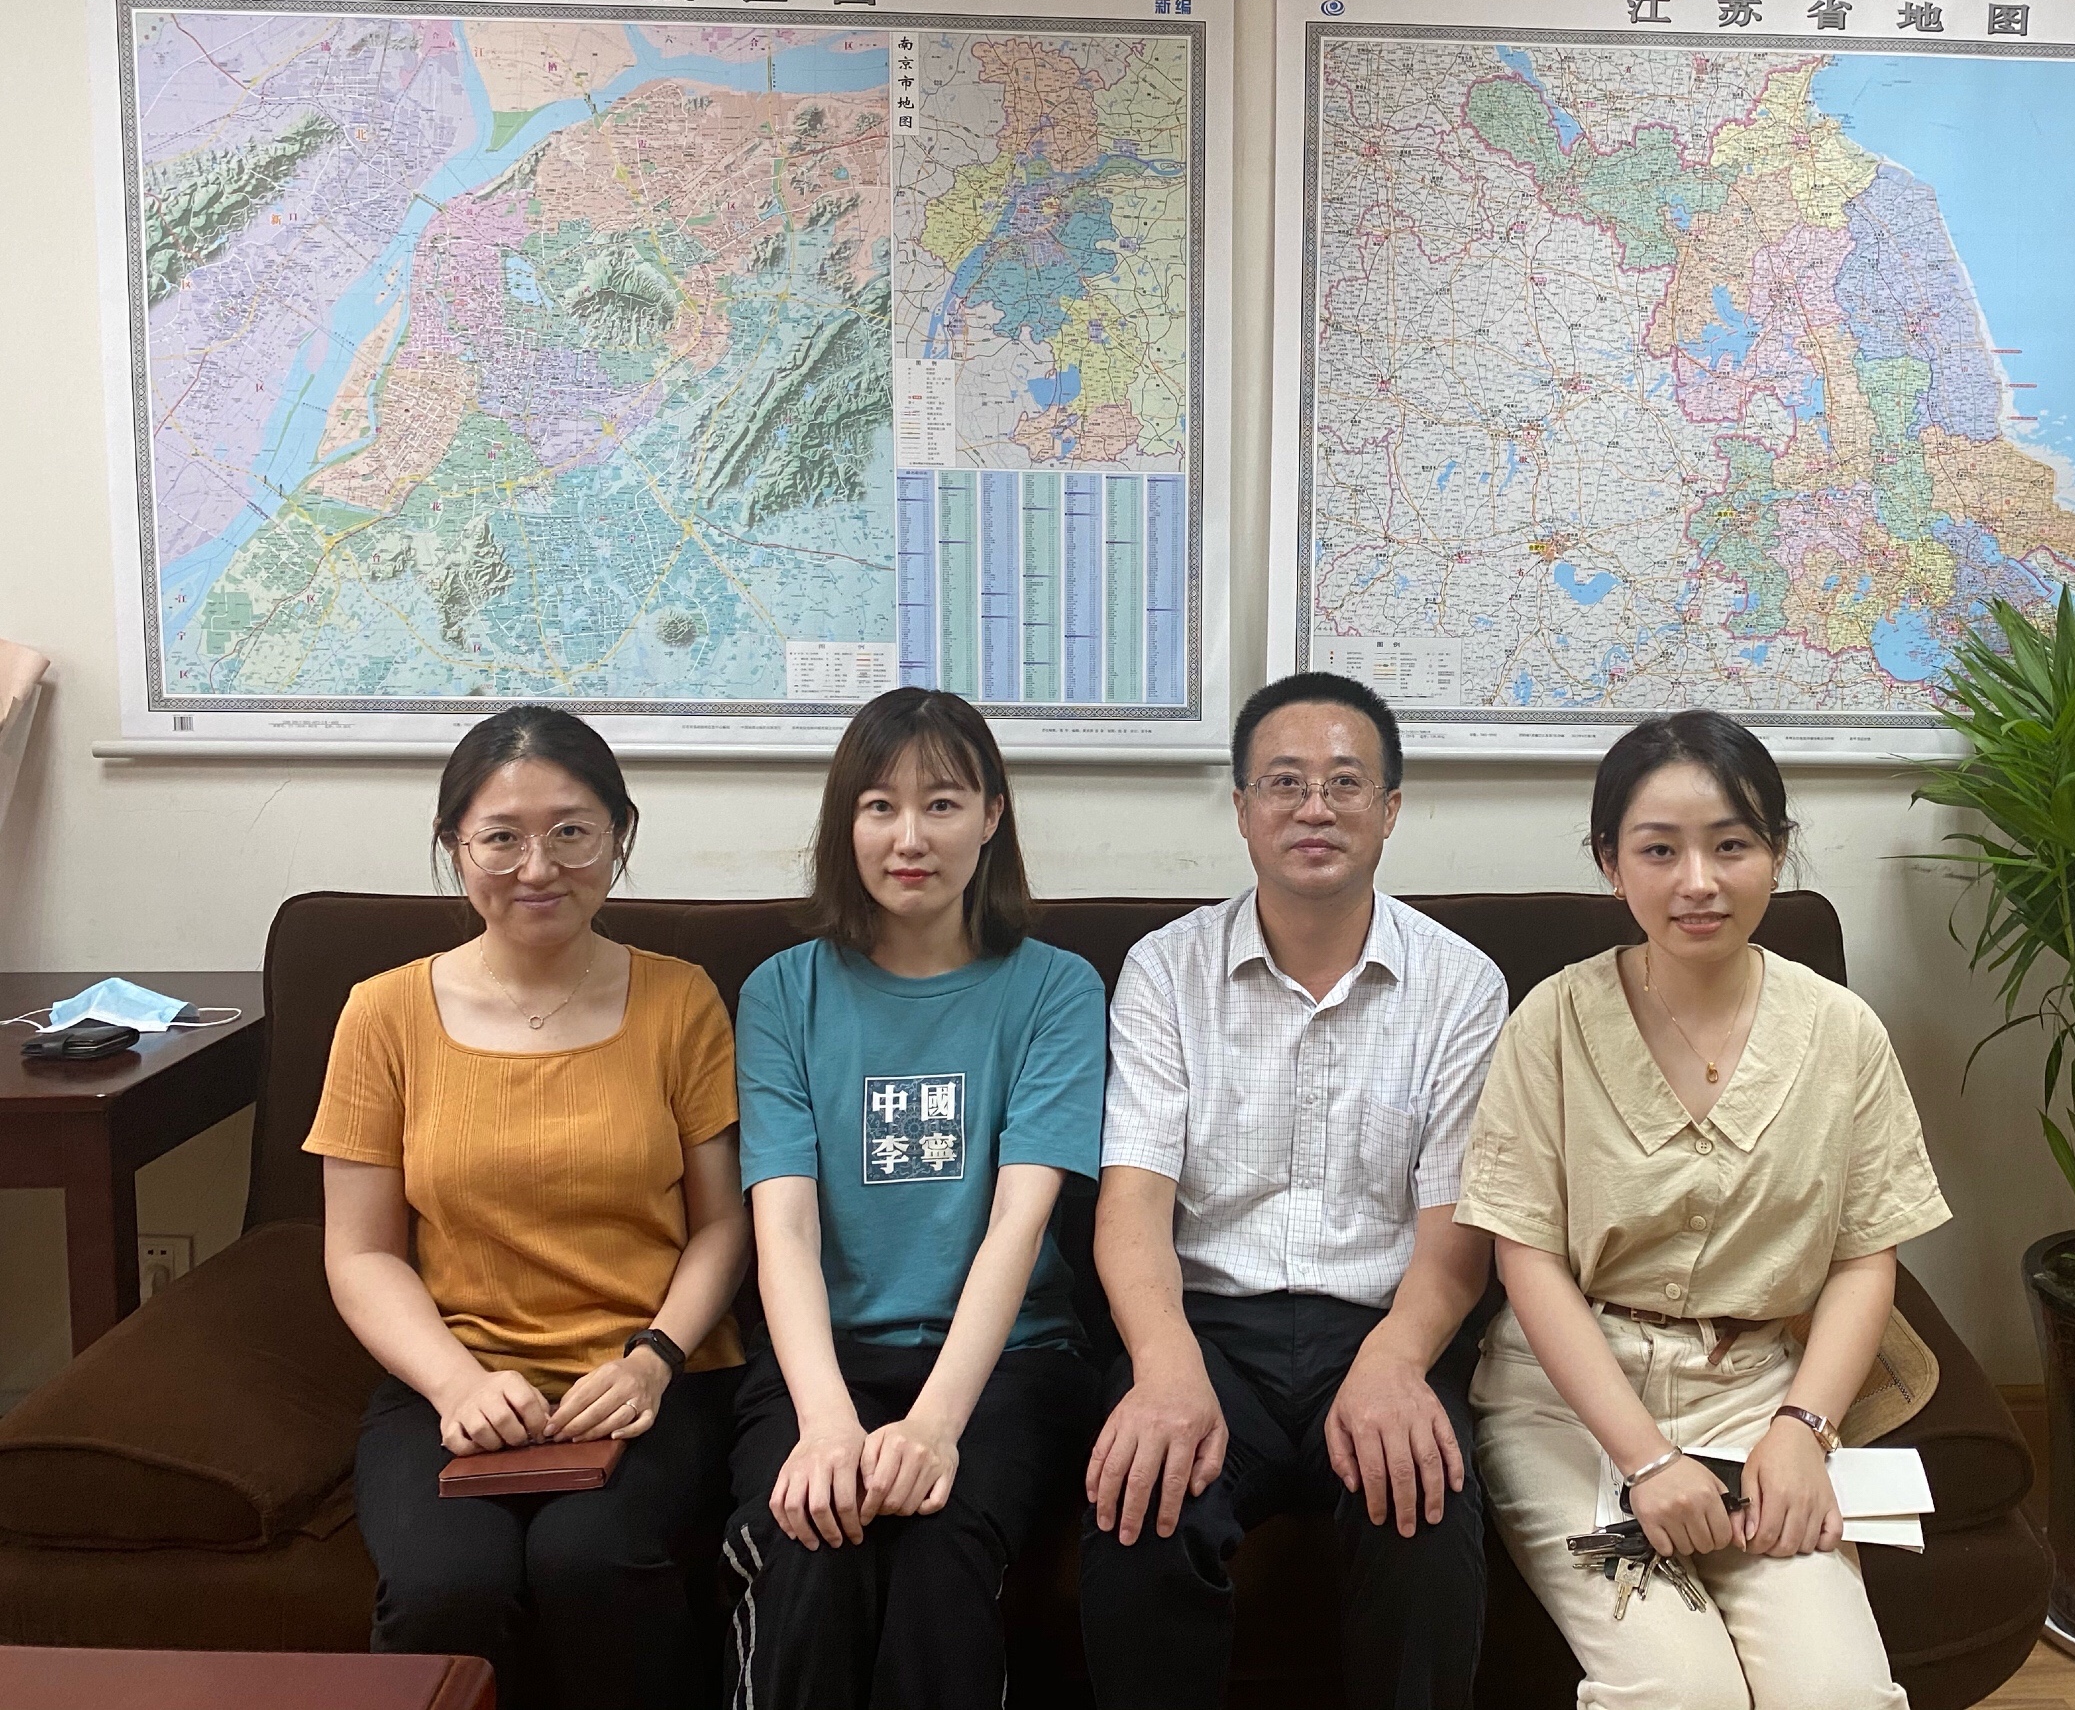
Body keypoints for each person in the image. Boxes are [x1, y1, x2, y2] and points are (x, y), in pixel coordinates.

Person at [1455, 710, 1950, 1710]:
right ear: (1610, 863)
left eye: (1731, 845)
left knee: (1839, 1697)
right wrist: (1645, 1459)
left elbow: (1864, 1257)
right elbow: (1526, 1258)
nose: (1698, 881)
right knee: (1678, 1693)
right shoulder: (1552, 1022)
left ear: (1775, 852)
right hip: (1571, 1406)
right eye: (1658, 850)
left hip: (1756, 1395)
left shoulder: (1841, 1032)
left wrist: (1803, 1430)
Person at [1079, 671, 1507, 1710]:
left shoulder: (1462, 985)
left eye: (1345, 783)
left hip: (1380, 1327)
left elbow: (1456, 1225)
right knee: (1140, 1509)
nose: (1314, 807)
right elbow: (1132, 1203)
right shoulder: (1164, 972)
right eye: (1283, 782)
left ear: (1389, 809)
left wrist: (1399, 1360)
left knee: (1426, 1510)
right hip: (1208, 1331)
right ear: (1241, 809)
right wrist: (1163, 1363)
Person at [310, 706, 751, 1710]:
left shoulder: (681, 999)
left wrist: (652, 1358)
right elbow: (360, 1253)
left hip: (650, 1378)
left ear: (619, 838)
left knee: (590, 1562)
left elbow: (723, 1224)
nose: (538, 867)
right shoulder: (382, 1012)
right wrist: (456, 1385)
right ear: (453, 847)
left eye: (571, 832)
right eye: (501, 837)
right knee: (446, 1587)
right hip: (453, 1374)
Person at [724, 686, 1105, 1710]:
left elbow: (1019, 1221)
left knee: (941, 1543)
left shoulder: (1056, 989)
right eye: (878, 806)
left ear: (991, 817)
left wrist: (935, 1426)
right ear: (844, 823)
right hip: (827, 1356)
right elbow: (783, 1228)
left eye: (941, 804)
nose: (909, 837)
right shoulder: (781, 993)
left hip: (1009, 1360)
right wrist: (824, 1424)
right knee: (809, 1533)